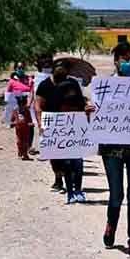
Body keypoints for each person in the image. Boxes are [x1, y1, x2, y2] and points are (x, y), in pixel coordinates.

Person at [100, 42, 130, 259]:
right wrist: (91, 108)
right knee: (116, 195)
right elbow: (98, 111)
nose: (129, 62)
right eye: (125, 58)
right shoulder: (106, 85)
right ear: (116, 61)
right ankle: (111, 225)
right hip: (112, 149)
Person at [35, 56, 68, 193]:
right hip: (50, 125)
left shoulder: (70, 83)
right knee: (53, 155)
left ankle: (69, 181)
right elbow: (38, 106)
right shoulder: (44, 85)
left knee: (67, 154)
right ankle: (58, 178)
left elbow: (80, 101)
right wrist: (40, 124)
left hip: (68, 124)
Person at [57, 77, 88, 205]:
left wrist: (88, 111)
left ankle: (78, 190)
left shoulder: (81, 102)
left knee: (78, 165)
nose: (70, 92)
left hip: (77, 139)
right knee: (67, 166)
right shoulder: (57, 103)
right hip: (63, 140)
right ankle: (70, 192)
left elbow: (88, 115)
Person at [10, 95, 33, 160]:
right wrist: (12, 123)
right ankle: (20, 152)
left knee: (25, 141)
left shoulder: (27, 111)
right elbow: (12, 120)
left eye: (23, 105)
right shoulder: (15, 111)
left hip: (26, 129)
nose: (22, 106)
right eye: (20, 105)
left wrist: (30, 123)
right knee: (19, 141)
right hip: (18, 129)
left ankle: (25, 154)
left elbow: (30, 119)